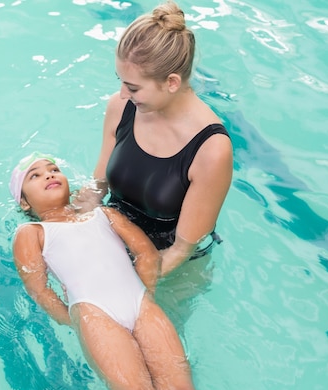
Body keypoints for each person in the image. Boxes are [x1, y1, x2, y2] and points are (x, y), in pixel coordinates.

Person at [9, 152, 207, 390]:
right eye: (35, 175)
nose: (49, 174)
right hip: (95, 314)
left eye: (53, 169)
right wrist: (75, 320)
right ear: (24, 202)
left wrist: (143, 296)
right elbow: (39, 290)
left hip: (141, 305)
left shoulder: (106, 215)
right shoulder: (31, 233)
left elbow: (146, 254)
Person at [77, 1, 233, 276]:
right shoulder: (120, 107)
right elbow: (97, 187)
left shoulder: (211, 149)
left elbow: (180, 251)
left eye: (133, 87)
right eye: (121, 81)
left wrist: (119, 278)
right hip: (113, 238)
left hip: (170, 268)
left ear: (171, 82)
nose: (123, 94)